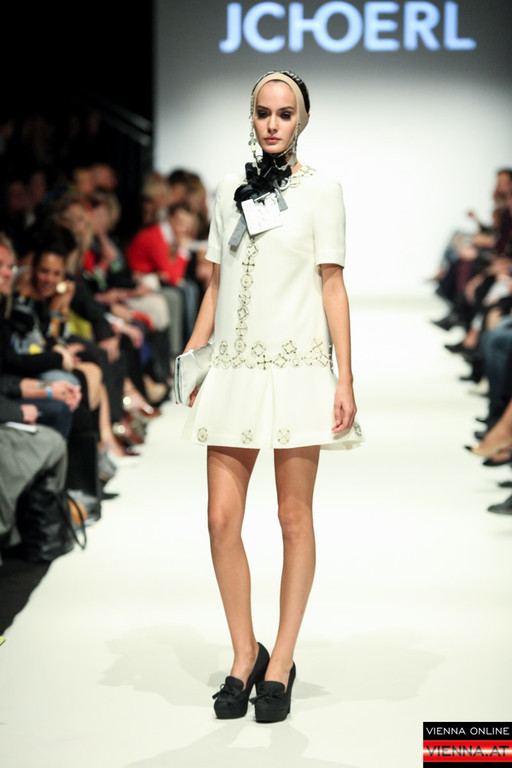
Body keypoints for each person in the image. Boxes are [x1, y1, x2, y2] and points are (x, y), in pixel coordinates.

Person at [181, 70, 363, 722]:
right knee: (220, 520)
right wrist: (192, 355)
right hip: (234, 368)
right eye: (264, 112)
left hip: (296, 368)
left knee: (293, 518)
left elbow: (332, 283)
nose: (273, 123)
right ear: (252, 116)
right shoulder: (227, 191)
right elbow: (213, 282)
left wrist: (345, 376)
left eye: (285, 113)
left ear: (302, 119)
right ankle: (244, 653)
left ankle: (280, 659)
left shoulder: (323, 192)